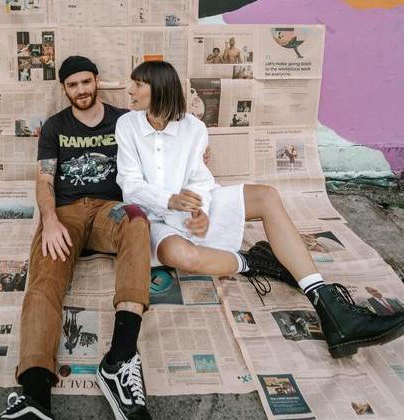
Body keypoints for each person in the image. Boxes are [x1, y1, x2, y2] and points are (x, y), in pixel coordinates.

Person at [116, 60, 404, 360]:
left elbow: (199, 178)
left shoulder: (194, 128)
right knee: (182, 256)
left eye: (138, 84)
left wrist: (199, 211)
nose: (129, 90)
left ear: (160, 89)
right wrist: (170, 201)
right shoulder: (127, 125)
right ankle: (256, 260)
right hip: (153, 216)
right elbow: (130, 184)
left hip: (191, 206)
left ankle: (329, 306)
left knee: (266, 195)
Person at [0, 56, 153, 420]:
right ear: (64, 89)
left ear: (96, 81)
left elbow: (162, 137)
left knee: (137, 219)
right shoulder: (55, 127)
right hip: (66, 213)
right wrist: (49, 220)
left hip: (110, 210)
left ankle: (120, 358)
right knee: (43, 282)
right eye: (72, 85)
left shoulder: (124, 120)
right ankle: (35, 397)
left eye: (86, 81)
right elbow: (44, 179)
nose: (81, 90)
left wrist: (196, 151)